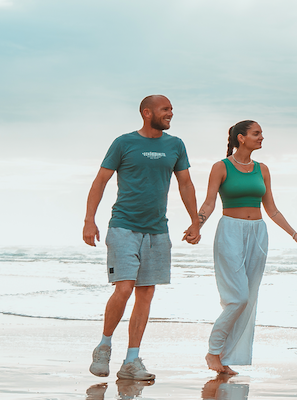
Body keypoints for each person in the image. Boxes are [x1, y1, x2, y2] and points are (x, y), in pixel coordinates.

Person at [84, 94, 202, 381]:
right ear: (147, 113)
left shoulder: (176, 145)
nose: (171, 113)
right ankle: (104, 345)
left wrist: (195, 220)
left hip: (157, 230)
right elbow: (101, 180)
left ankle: (132, 360)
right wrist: (90, 220)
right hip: (124, 226)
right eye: (165, 109)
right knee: (124, 288)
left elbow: (185, 183)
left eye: (172, 109)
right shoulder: (124, 143)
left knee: (146, 293)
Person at [187, 120, 297, 375]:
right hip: (230, 231)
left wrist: (295, 235)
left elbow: (272, 209)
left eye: (261, 134)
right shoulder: (221, 167)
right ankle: (213, 351)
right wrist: (196, 225)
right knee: (238, 298)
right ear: (241, 138)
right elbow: (209, 203)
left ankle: (225, 356)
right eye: (256, 133)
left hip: (258, 234)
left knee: (248, 299)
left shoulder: (262, 169)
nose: (262, 137)